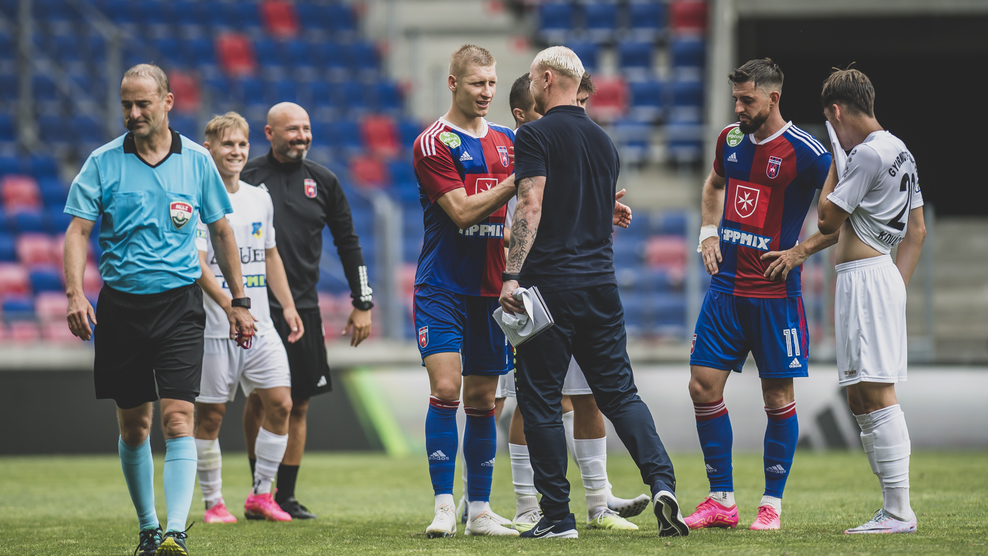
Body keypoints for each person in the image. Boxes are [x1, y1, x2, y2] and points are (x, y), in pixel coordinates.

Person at [63, 64, 255, 556]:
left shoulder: (197, 160)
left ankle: (175, 532)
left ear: (167, 102)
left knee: (178, 419)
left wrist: (239, 302)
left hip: (180, 306)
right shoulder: (103, 162)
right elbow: (78, 230)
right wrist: (75, 293)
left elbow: (221, 230)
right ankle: (148, 527)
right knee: (135, 427)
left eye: (142, 103)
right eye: (126, 104)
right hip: (122, 307)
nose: (133, 113)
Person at [500, 46, 687, 539]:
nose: (532, 86)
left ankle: (557, 517)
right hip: (601, 285)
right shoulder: (605, 141)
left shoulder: (534, 134)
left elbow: (532, 205)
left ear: (546, 79)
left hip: (550, 288)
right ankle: (662, 482)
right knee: (620, 393)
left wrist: (512, 275)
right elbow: (585, 208)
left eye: (533, 79)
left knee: (540, 401)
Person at [685, 58, 837, 532]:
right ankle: (721, 500)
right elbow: (713, 185)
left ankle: (771, 504)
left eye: (746, 100)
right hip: (726, 289)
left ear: (773, 98)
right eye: (736, 98)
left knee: (777, 397)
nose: (738, 108)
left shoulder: (807, 152)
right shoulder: (729, 141)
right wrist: (708, 231)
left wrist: (800, 251)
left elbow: (842, 213)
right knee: (701, 386)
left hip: (774, 294)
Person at [240, 102, 374, 520]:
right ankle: (260, 490)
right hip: (256, 309)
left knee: (299, 404)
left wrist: (363, 302)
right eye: (292, 129)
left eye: (306, 128)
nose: (302, 136)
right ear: (269, 133)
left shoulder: (324, 180)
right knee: (260, 401)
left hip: (304, 309)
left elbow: (348, 242)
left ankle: (285, 496)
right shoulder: (246, 178)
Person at [412, 44, 520, 539]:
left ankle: (478, 511)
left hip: (492, 291)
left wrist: (600, 211)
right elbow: (460, 212)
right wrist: (515, 181)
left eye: (492, 83)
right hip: (442, 286)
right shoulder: (433, 142)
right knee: (446, 388)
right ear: (453, 83)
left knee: (482, 400)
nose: (487, 92)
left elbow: (532, 206)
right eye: (478, 83)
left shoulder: (508, 139)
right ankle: (442, 506)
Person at [817, 68, 925, 534]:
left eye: (830, 121)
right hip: (878, 278)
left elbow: (826, 220)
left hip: (867, 279)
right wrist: (898, 286)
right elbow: (917, 230)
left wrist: (834, 164)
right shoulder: (900, 149)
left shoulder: (863, 155)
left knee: (877, 392)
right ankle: (890, 506)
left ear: (837, 111)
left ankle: (899, 511)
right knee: (859, 394)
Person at [193, 113, 304, 525]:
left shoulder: (260, 197)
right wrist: (229, 305)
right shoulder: (197, 200)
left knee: (281, 403)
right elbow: (198, 265)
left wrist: (287, 305)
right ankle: (213, 503)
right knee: (211, 416)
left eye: (242, 144)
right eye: (227, 144)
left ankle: (261, 494)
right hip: (214, 328)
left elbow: (269, 254)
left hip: (260, 325)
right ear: (209, 149)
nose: (236, 152)